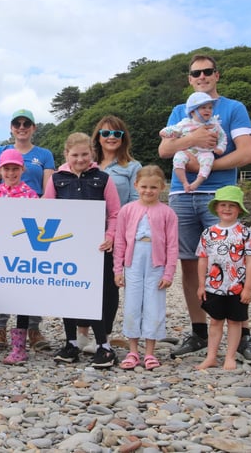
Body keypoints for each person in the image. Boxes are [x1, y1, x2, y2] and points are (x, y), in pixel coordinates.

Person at [158, 54, 251, 365]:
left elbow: (246, 153)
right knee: (190, 265)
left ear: (217, 75)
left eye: (207, 71)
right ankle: (199, 329)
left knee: (233, 261)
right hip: (180, 195)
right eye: (195, 73)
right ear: (189, 79)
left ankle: (241, 335)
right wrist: (191, 140)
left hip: (219, 195)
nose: (201, 76)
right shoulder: (180, 110)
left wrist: (205, 164)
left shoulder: (233, 108)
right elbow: (164, 149)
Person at [43, 132, 120, 368]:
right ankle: (71, 343)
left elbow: (115, 213)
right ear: (66, 154)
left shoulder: (104, 179)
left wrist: (110, 236)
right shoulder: (56, 180)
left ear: (92, 153)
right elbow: (46, 212)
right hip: (67, 248)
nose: (80, 159)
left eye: (84, 154)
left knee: (96, 296)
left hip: (96, 249)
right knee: (68, 295)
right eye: (75, 155)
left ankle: (103, 346)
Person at [0, 109, 55, 352]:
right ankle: (1, 328)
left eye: (27, 123)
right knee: (3, 274)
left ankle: (33, 328)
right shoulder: (0, 152)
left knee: (31, 275)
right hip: (2, 223)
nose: (22, 127)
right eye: (17, 123)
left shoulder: (44, 154)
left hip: (31, 221)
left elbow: (48, 191)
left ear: (34, 127)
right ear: (11, 127)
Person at [77, 116, 143, 354]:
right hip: (82, 234)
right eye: (105, 134)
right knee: (81, 282)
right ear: (98, 138)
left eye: (117, 134)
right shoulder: (85, 162)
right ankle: (81, 332)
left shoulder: (133, 167)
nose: (111, 138)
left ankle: (103, 335)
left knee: (108, 286)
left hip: (114, 234)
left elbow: (138, 204)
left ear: (124, 138)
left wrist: (121, 235)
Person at [0, 149, 39, 364]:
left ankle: (19, 349)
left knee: (22, 301)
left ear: (22, 169)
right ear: (0, 170)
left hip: (22, 259)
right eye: (6, 169)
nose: (11, 173)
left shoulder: (31, 195)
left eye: (15, 168)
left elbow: (37, 226)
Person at [113, 165, 178, 371]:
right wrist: (118, 269)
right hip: (133, 262)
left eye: (153, 187)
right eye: (144, 187)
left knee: (154, 305)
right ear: (136, 185)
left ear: (162, 187)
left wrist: (169, 272)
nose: (148, 191)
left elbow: (172, 245)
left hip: (156, 263)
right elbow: (120, 241)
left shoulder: (168, 213)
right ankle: (133, 350)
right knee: (132, 304)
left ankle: (150, 352)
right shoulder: (127, 210)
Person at [195, 185, 251, 370]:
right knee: (215, 321)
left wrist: (248, 288)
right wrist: (201, 285)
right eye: (223, 204)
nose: (227, 209)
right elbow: (202, 260)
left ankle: (230, 356)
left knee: (235, 321)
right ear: (216, 208)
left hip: (237, 287)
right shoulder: (208, 233)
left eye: (232, 205)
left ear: (239, 209)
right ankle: (211, 356)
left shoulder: (245, 233)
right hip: (213, 287)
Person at [160, 92, 227, 193]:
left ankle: (197, 182)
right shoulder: (186, 123)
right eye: (203, 107)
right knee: (178, 157)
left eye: (210, 107)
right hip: (188, 151)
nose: (208, 110)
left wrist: (220, 148)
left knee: (209, 159)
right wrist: (165, 132)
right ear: (192, 111)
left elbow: (223, 137)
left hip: (205, 152)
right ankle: (184, 182)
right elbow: (174, 129)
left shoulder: (215, 124)